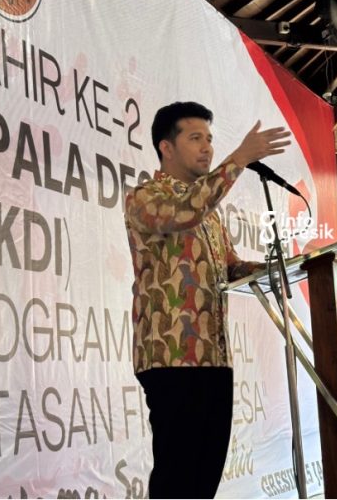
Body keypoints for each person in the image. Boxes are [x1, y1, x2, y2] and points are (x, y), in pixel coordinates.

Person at [125, 102, 291, 498]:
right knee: (176, 478)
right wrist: (240, 159)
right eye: (195, 138)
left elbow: (229, 266)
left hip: (214, 356)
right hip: (171, 358)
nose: (207, 148)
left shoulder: (210, 214)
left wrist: (279, 268)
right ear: (166, 147)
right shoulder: (145, 197)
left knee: (204, 479)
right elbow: (185, 211)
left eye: (210, 140)